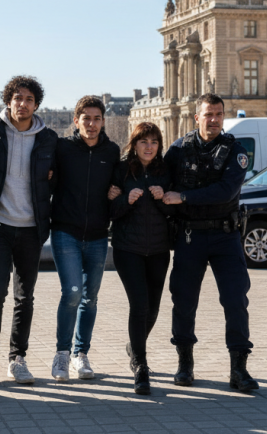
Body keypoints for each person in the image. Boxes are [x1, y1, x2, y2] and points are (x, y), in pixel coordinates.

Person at [161, 93, 258, 392]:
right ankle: (184, 364)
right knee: (184, 301)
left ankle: (239, 369)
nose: (214, 119)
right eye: (208, 114)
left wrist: (185, 197)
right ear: (197, 117)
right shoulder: (178, 150)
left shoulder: (235, 151)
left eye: (218, 114)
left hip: (225, 236)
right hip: (189, 234)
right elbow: (161, 182)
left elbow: (226, 191)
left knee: (235, 300)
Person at [0, 75, 57, 385]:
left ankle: (17, 358)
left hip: (32, 229)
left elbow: (58, 178)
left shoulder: (48, 138)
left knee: (25, 296)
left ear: (36, 105)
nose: (23, 104)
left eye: (29, 100)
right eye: (18, 98)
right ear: (7, 101)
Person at [49, 96, 120, 382]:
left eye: (97, 119)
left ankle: (81, 354)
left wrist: (117, 194)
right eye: (86, 118)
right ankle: (62, 354)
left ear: (103, 122)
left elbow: (119, 186)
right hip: (65, 231)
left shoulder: (112, 151)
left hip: (99, 235)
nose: (91, 124)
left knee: (90, 298)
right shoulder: (62, 148)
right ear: (75, 120)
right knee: (73, 293)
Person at [109, 122, 173, 395]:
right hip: (128, 250)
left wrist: (162, 198)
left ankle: (134, 347)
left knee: (154, 308)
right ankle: (140, 365)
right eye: (143, 141)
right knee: (139, 306)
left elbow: (175, 211)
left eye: (154, 142)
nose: (149, 146)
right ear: (134, 144)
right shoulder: (122, 170)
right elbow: (109, 210)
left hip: (159, 250)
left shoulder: (166, 172)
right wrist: (125, 200)